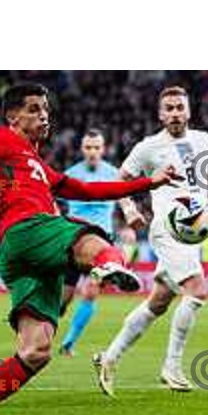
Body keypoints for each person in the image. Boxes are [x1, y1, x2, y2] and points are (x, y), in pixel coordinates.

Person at [0, 83, 178, 415]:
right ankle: (108, 266)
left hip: (22, 258)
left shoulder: (35, 162)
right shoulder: (3, 139)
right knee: (95, 238)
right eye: (35, 109)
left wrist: (146, 183)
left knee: (36, 351)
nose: (44, 116)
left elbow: (86, 190)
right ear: (13, 117)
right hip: (27, 231)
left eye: (46, 110)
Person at [93, 86, 208, 395]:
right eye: (168, 108)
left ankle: (108, 357)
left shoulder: (203, 140)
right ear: (160, 114)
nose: (174, 113)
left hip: (193, 233)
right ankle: (172, 367)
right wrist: (129, 209)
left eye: (179, 107)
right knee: (197, 291)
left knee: (158, 302)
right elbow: (121, 179)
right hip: (167, 230)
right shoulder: (149, 147)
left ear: (188, 111)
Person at [58, 128, 120, 356]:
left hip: (102, 246)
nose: (92, 152)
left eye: (96, 147)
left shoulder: (115, 174)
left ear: (103, 149)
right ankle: (40, 337)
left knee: (91, 291)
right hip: (75, 243)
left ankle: (68, 343)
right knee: (62, 302)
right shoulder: (70, 175)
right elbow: (50, 201)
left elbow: (125, 201)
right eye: (88, 147)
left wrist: (131, 223)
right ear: (82, 149)